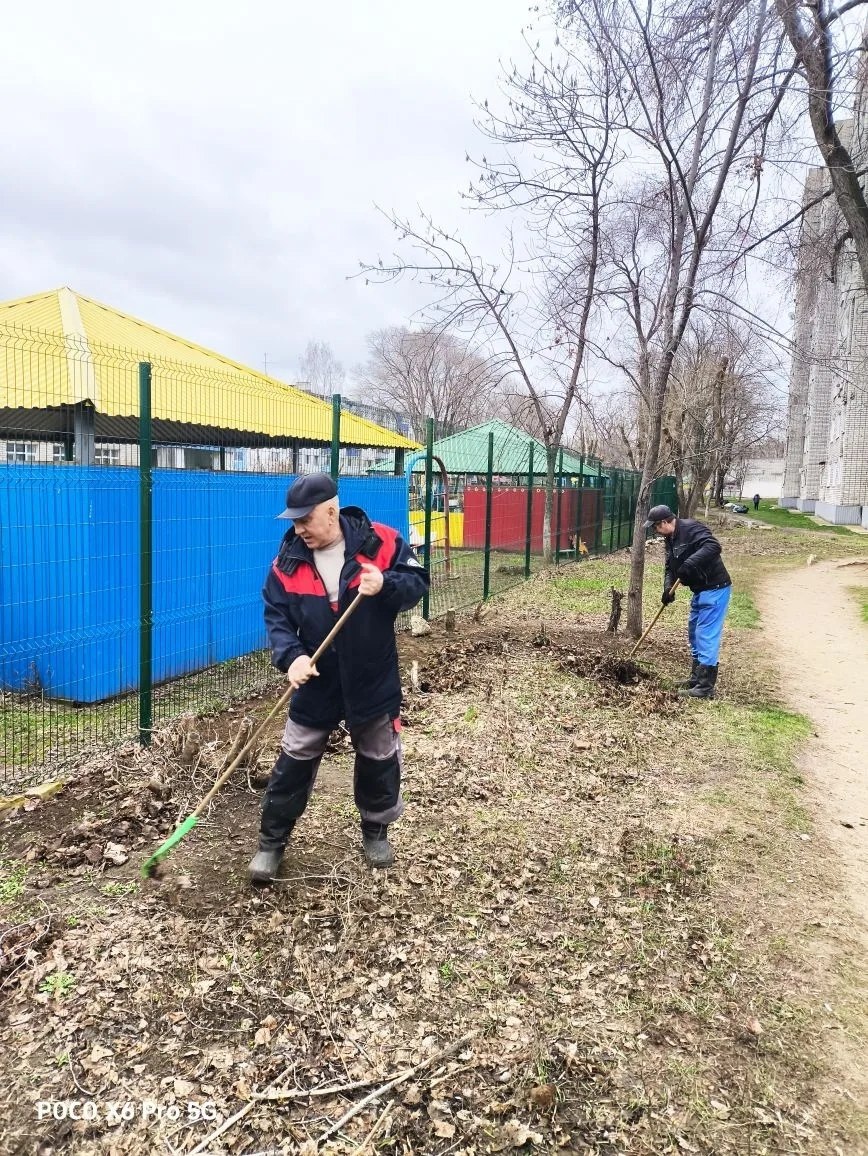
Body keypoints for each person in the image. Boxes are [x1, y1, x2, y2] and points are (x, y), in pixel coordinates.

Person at [249, 473, 429, 883]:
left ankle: (376, 831)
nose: (298, 529)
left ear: (331, 511)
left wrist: (385, 583)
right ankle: (271, 842)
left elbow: (417, 582)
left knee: (379, 756)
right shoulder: (287, 562)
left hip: (372, 674)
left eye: (305, 519)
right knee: (294, 759)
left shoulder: (381, 542)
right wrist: (292, 657)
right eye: (294, 521)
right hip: (318, 679)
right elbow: (276, 617)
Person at [645, 504, 732, 700]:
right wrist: (668, 588)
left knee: (705, 635)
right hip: (700, 591)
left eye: (656, 526)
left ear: (665, 522)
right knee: (694, 633)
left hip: (715, 589)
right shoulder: (670, 538)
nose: (656, 531)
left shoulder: (691, 528)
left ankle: (705, 687)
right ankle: (696, 678)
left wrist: (690, 564)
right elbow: (670, 567)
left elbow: (713, 546)